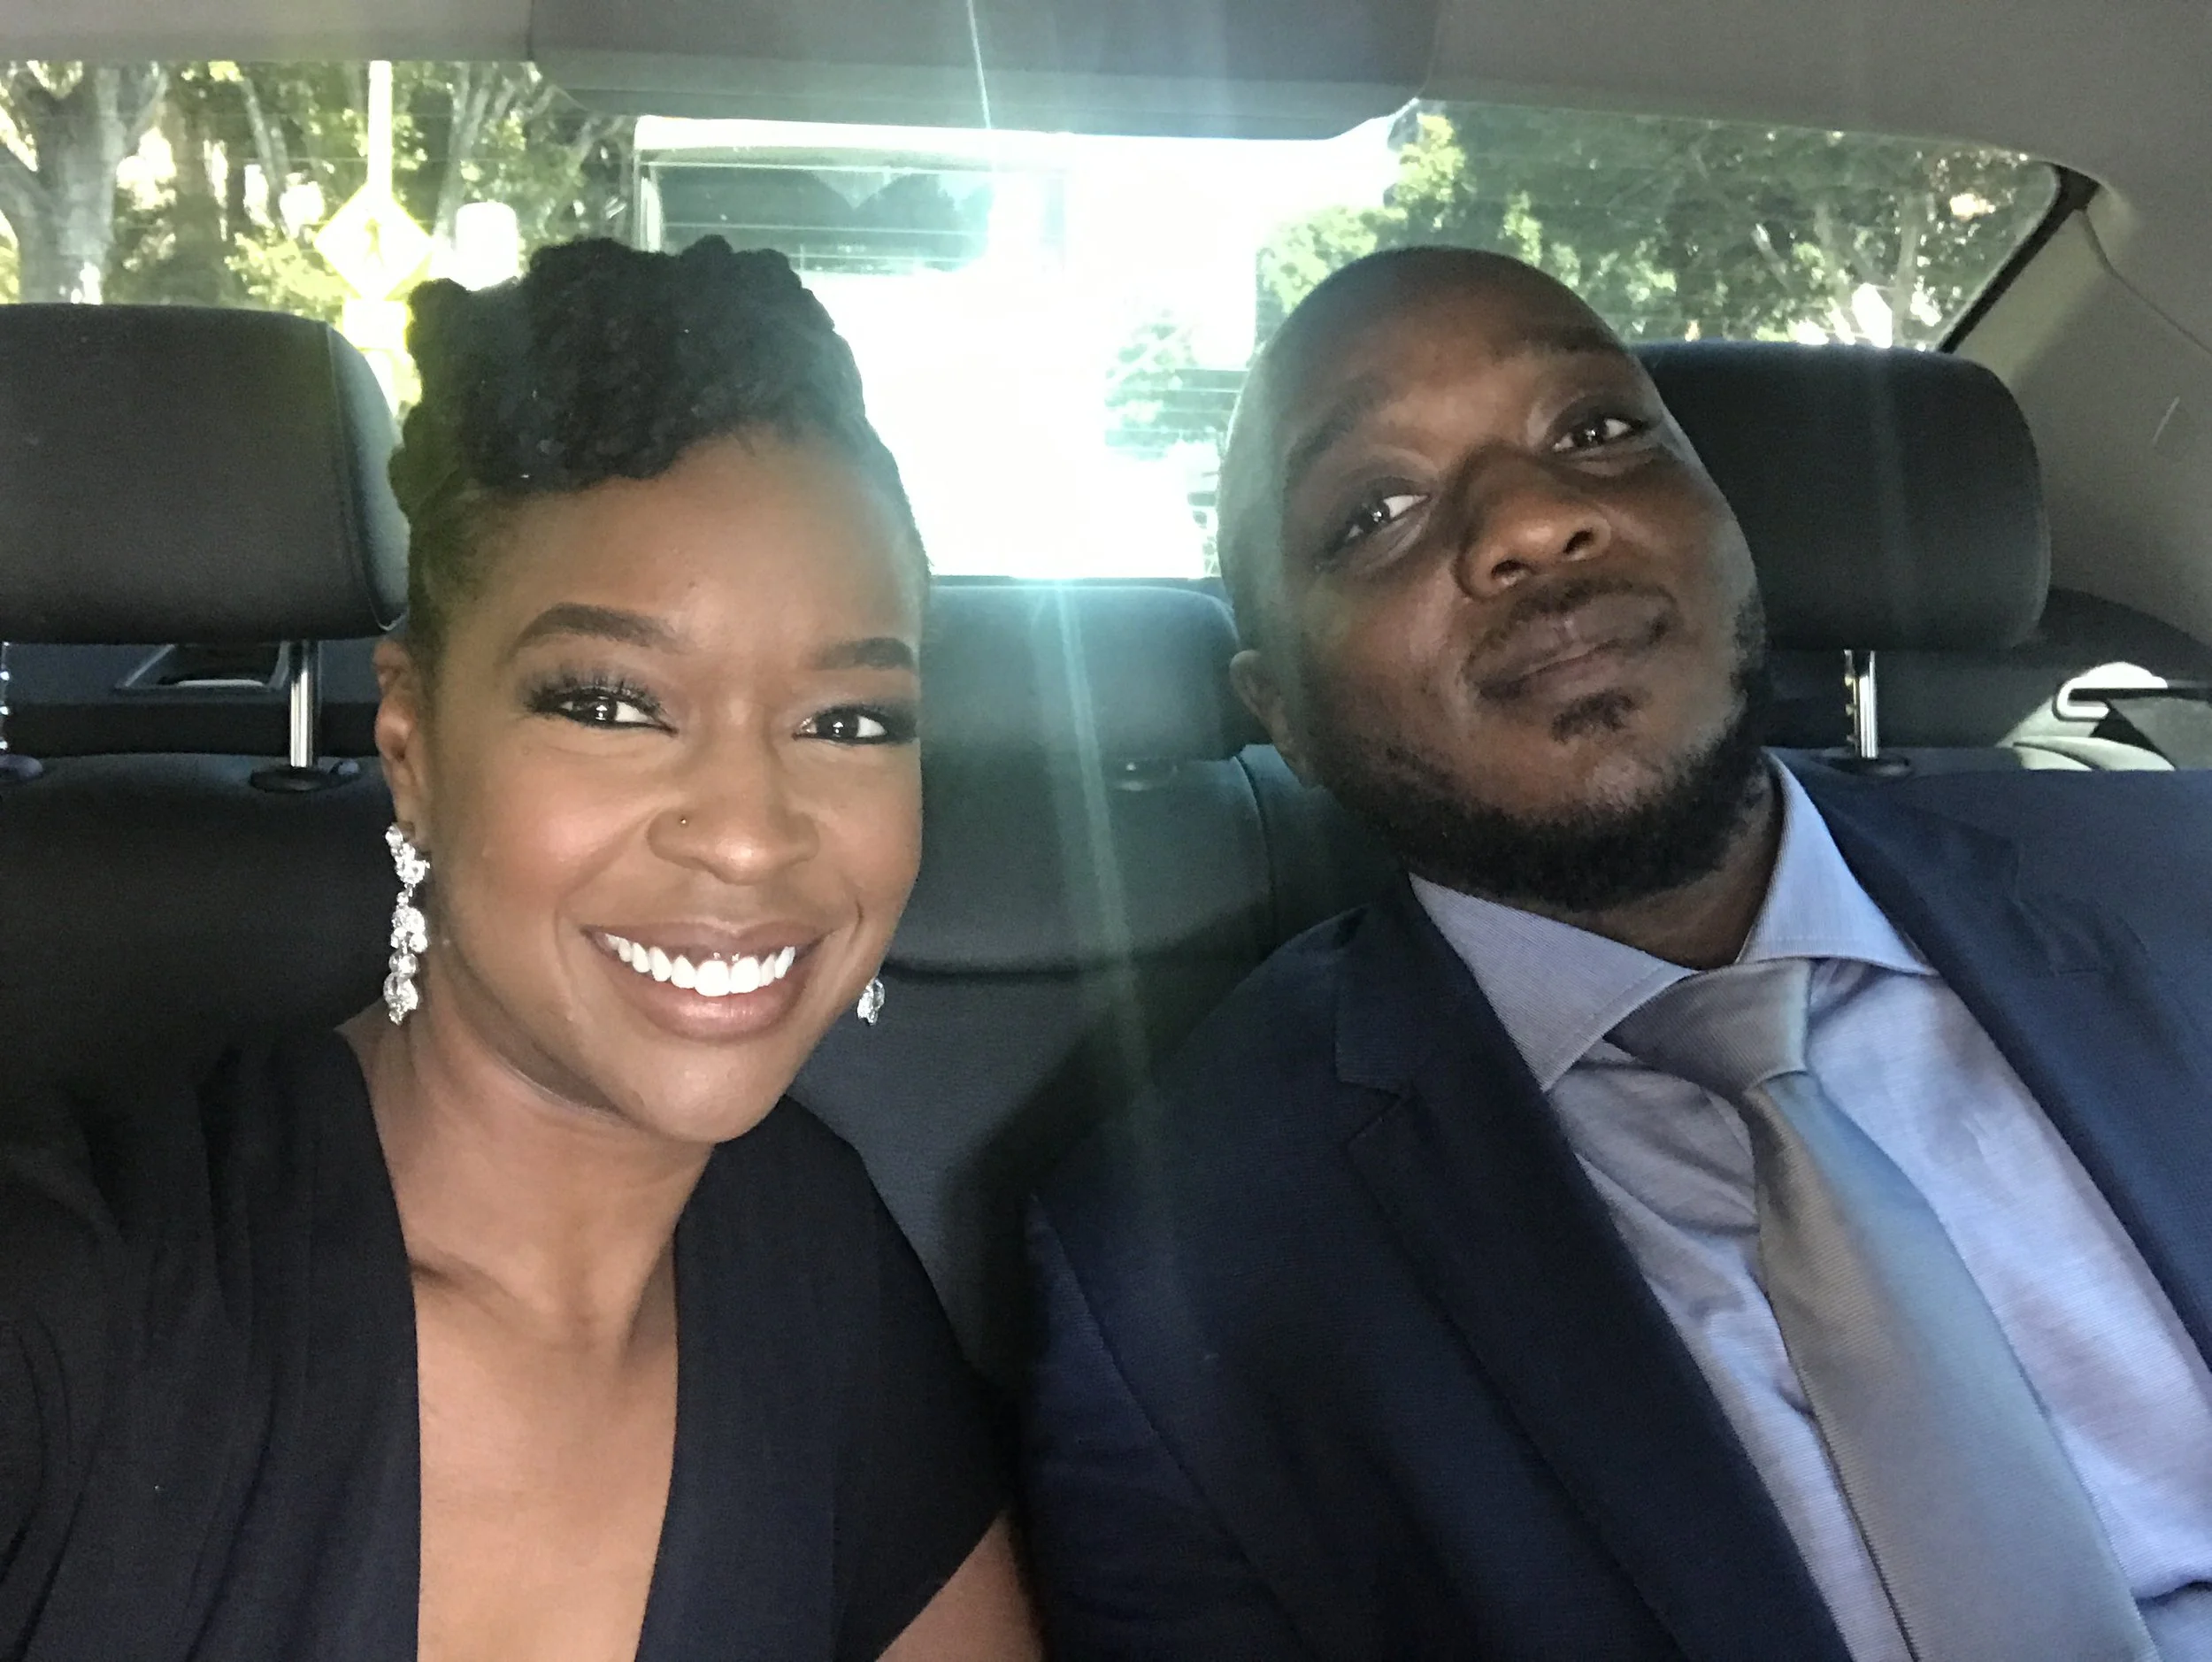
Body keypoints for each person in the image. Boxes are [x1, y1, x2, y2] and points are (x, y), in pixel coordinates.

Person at [1023, 245, 2212, 1660]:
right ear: (1282, 710)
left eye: (1595, 431)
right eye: (1373, 511)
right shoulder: (1181, 1262)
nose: (1532, 520)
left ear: (1725, 519)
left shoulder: (2175, 875)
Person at [0, 238, 1040, 1662]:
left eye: (850, 721)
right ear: (413, 744)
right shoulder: (77, 1295)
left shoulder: (817, 1271)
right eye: (612, 704)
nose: (749, 833)